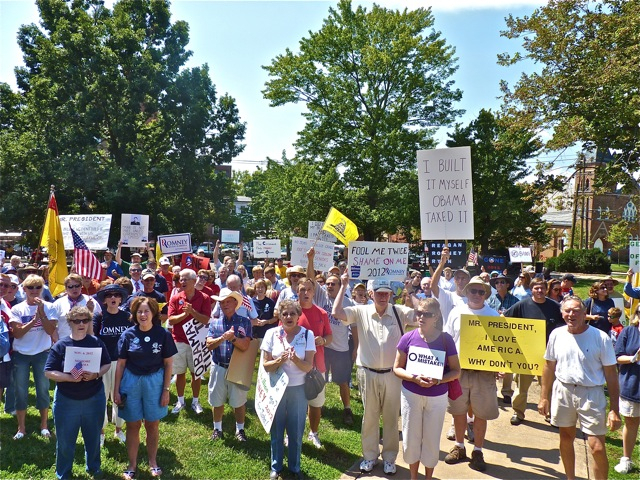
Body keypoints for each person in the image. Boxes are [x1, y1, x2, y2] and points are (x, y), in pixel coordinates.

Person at [333, 275, 415, 475]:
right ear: (371, 294)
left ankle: (389, 458)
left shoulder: (399, 311)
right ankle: (369, 456)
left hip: (392, 375)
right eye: (379, 293)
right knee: (369, 417)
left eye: (386, 293)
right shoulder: (361, 311)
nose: (383, 297)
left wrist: (410, 290)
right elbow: (336, 313)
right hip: (367, 373)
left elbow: (424, 314)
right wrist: (343, 286)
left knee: (390, 418)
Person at [538, 296, 621, 480]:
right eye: (567, 310)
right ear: (562, 313)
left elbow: (611, 375)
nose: (571, 314)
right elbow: (548, 366)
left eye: (576, 310)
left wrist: (614, 409)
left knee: (597, 447)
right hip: (563, 391)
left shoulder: (600, 338)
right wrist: (544, 396)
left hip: (591, 394)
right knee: (566, 438)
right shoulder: (556, 334)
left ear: (585, 314)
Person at [393, 298, 460, 480]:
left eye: (426, 314)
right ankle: (414, 477)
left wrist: (438, 380)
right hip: (411, 395)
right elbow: (397, 368)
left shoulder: (446, 340)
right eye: (419, 312)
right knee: (410, 438)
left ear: (436, 316)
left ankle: (428, 477)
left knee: (431, 439)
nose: (421, 317)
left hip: (437, 397)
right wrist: (414, 378)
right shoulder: (408, 337)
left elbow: (456, 371)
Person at [45, 306, 111, 479]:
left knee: (93, 437)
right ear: (70, 322)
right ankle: (64, 473)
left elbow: (107, 364)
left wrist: (96, 374)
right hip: (67, 400)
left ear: (89, 321)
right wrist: (69, 378)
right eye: (77, 320)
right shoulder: (61, 345)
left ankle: (94, 467)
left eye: (85, 320)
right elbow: (49, 371)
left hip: (94, 397)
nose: (81, 324)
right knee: (65, 441)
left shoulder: (96, 343)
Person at [114, 297, 177, 480]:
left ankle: (152, 462)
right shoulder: (128, 335)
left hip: (154, 382)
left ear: (153, 313)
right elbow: (120, 364)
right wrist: (117, 389)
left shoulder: (163, 334)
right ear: (134, 314)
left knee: (152, 424)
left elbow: (168, 364)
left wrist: (166, 390)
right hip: (131, 381)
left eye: (146, 311)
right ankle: (132, 465)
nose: (143, 315)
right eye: (139, 312)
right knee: (133, 424)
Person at [443, 276, 499, 472]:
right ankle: (459, 446)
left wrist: (498, 366)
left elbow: (502, 346)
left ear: (486, 294)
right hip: (458, 371)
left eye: (481, 291)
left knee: (481, 413)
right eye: (473, 291)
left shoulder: (493, 316)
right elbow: (447, 340)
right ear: (466, 292)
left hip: (484, 373)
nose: (476, 295)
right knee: (458, 410)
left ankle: (478, 450)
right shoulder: (456, 312)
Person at [262, 299, 315, 480]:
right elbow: (266, 365)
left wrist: (295, 360)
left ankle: (295, 467)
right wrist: (279, 361)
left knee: (296, 429)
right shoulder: (271, 334)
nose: (289, 317)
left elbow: (309, 367)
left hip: (298, 389)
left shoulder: (308, 335)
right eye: (285, 313)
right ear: (280, 316)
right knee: (277, 430)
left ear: (299, 315)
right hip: (276, 389)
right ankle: (276, 467)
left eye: (292, 313)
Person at [504, 277, 562, 425]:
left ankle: (550, 414)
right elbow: (504, 318)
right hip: (527, 354)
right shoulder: (522, 305)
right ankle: (518, 412)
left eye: (542, 288)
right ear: (532, 290)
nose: (540, 291)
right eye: (536, 288)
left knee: (549, 386)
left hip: (549, 355)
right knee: (521, 387)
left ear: (546, 290)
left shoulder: (555, 307)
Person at [9, 274, 58, 440]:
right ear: (24, 289)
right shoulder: (17, 309)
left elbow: (51, 331)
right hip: (21, 354)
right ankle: (21, 428)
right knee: (20, 391)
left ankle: (44, 425)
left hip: (42, 353)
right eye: (31, 287)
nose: (35, 290)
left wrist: (41, 314)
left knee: (43, 389)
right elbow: (17, 333)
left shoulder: (50, 306)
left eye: (38, 287)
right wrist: (34, 320)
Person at [205, 288, 253, 441]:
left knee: (239, 401)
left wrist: (232, 339)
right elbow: (208, 345)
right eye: (222, 302)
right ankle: (217, 429)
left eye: (228, 301)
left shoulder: (244, 322)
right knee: (217, 400)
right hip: (218, 365)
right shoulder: (215, 323)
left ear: (235, 303)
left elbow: (246, 345)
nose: (225, 304)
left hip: (237, 367)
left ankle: (240, 430)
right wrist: (222, 339)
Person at [167, 268, 212, 415]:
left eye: (186, 279)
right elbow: (171, 320)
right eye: (181, 279)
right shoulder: (175, 298)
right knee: (180, 373)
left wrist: (193, 312)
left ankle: (195, 401)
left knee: (196, 373)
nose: (182, 282)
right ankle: (180, 401)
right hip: (179, 340)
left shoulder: (204, 297)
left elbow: (206, 320)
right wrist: (184, 314)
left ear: (194, 281)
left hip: (197, 342)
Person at [296, 276, 332, 447]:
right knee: (294, 403)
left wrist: (323, 341)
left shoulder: (322, 313)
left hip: (317, 366)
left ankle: (313, 433)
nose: (306, 292)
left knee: (316, 403)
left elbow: (330, 336)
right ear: (297, 291)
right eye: (302, 289)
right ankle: (293, 433)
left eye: (309, 289)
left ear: (314, 292)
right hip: (294, 366)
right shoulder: (291, 312)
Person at [94, 283, 131, 444]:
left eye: (116, 295)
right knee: (101, 397)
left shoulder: (127, 317)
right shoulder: (99, 317)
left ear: (121, 298)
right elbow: (93, 339)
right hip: (103, 363)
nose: (113, 298)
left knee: (120, 396)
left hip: (122, 363)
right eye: (109, 295)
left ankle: (119, 429)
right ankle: (101, 432)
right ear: (104, 300)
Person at [613, 304, 640, 474]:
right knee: (631, 422)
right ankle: (626, 459)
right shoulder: (629, 332)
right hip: (632, 384)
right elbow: (616, 356)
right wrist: (633, 358)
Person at [52, 273, 101, 341]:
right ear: (66, 288)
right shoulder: (58, 303)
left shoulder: (90, 301)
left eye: (77, 286)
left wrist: (90, 311)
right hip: (65, 342)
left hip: (86, 341)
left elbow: (99, 320)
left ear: (81, 286)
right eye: (70, 286)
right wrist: (57, 341)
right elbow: (52, 325)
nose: (74, 289)